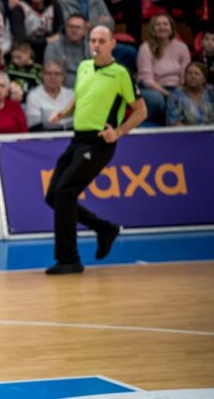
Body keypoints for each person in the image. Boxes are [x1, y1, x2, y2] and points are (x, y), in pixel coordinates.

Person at [44, 25, 147, 274]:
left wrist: (118, 132)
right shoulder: (84, 67)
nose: (96, 45)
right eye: (93, 40)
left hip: (100, 142)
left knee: (65, 191)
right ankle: (104, 228)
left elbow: (141, 111)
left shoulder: (120, 73)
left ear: (112, 44)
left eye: (101, 41)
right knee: (53, 196)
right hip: (78, 139)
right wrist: (63, 112)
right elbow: (80, 97)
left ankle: (69, 259)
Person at [137, 13, 190, 125]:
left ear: (171, 28)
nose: (162, 27)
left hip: (178, 87)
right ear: (152, 29)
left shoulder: (182, 47)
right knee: (157, 99)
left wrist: (180, 91)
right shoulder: (145, 48)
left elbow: (186, 73)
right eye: (158, 25)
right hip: (154, 89)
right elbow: (147, 80)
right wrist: (167, 94)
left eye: (165, 24)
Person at [10, 0, 63, 64]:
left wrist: (48, 41)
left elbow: (58, 34)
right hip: (27, 49)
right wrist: (46, 41)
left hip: (49, 49)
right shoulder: (19, 9)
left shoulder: (55, 7)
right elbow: (21, 38)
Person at [166, 62, 214, 126]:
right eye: (189, 73)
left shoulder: (213, 93)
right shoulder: (176, 96)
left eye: (196, 74)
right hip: (187, 131)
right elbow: (175, 122)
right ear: (185, 77)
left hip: (213, 130)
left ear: (204, 79)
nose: (193, 76)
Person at [24, 60, 74, 130]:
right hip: (45, 135)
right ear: (42, 76)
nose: (52, 77)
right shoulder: (33, 96)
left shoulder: (71, 95)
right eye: (48, 73)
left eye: (57, 74)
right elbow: (35, 127)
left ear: (63, 77)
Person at [44, 14, 91, 88]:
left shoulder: (91, 47)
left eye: (77, 27)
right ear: (65, 28)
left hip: (87, 86)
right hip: (61, 87)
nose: (74, 30)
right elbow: (49, 71)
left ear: (84, 31)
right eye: (71, 27)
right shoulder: (53, 46)